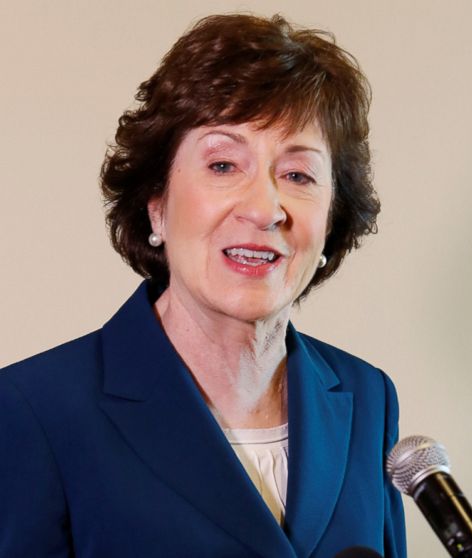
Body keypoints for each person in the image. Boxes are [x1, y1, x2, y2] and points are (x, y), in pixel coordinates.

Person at [0, 14, 404, 558]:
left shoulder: (368, 396)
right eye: (222, 164)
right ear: (157, 205)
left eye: (298, 176)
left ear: (332, 222)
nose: (265, 209)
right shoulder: (34, 411)